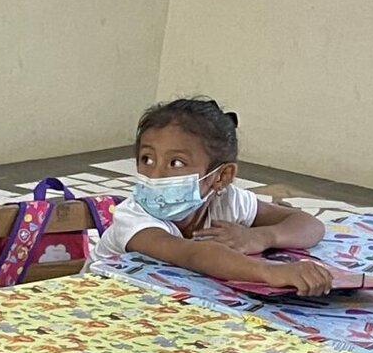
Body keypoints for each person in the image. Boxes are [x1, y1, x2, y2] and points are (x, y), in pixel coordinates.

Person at [96, 98, 334, 296]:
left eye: (175, 163)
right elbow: (192, 254)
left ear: (221, 176)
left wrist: (261, 236)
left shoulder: (228, 201)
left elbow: (309, 225)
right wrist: (270, 271)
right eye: (147, 159)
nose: (156, 174)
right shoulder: (133, 216)